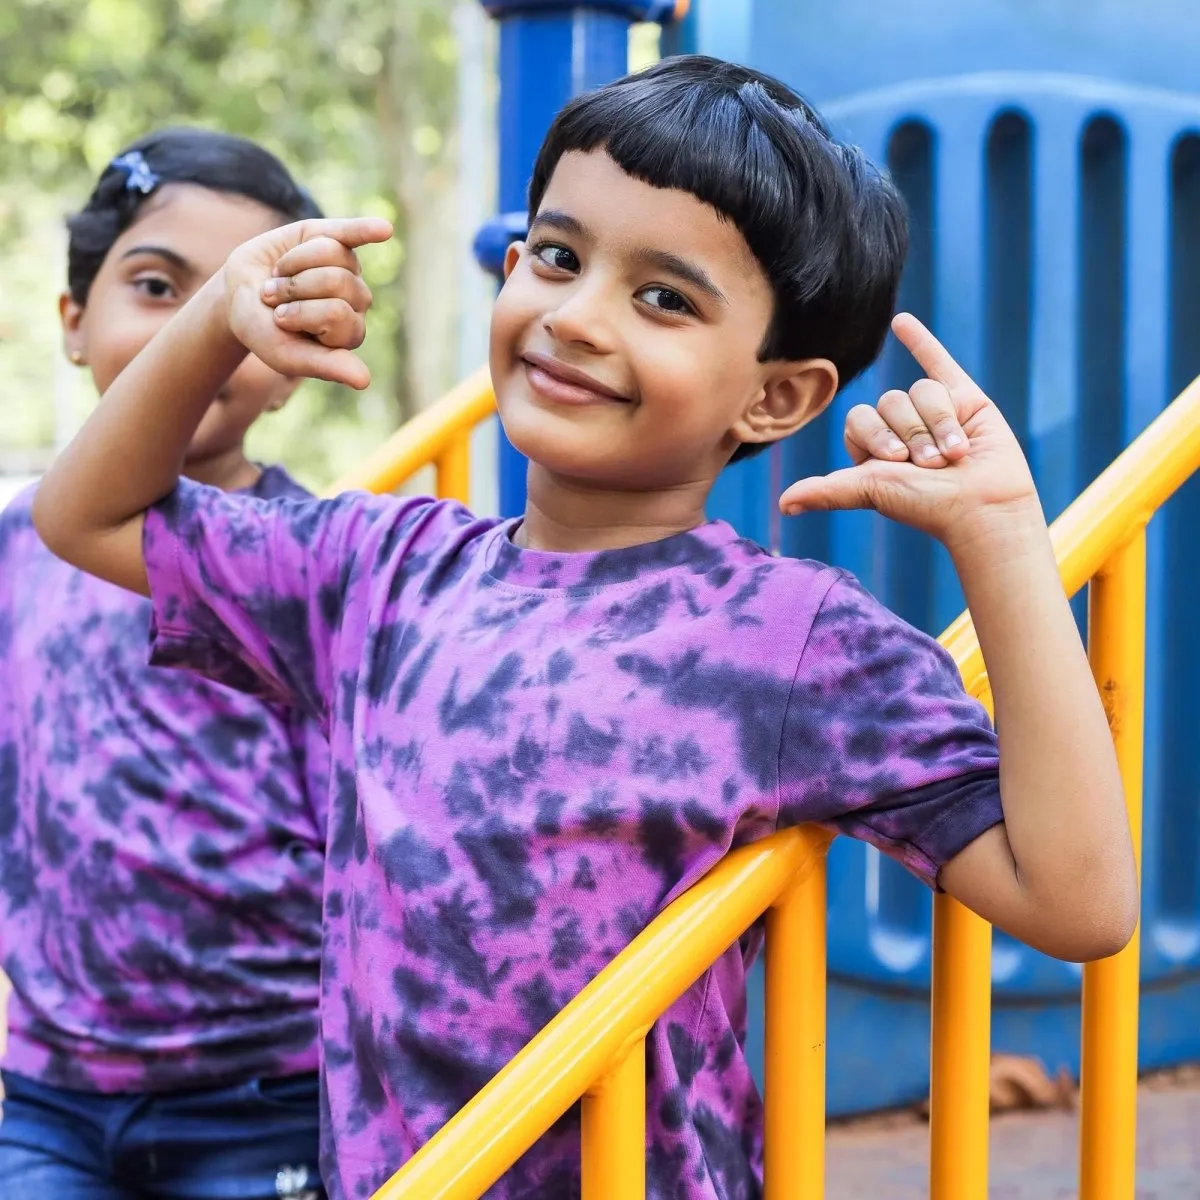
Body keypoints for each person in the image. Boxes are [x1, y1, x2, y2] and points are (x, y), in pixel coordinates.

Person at [33, 58, 1139, 1200]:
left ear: (775, 398)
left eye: (663, 297)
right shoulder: (379, 571)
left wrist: (1004, 541)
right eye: (558, 258)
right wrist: (219, 318)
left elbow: (1078, 901)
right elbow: (88, 514)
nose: (575, 317)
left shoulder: (790, 643)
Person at [0, 129, 329, 1199]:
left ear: (287, 373)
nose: (201, 332)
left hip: (270, 1094)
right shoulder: (17, 550)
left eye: (242, 308)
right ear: (72, 320)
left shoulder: (316, 564)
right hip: (51, 1092)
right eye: (159, 288)